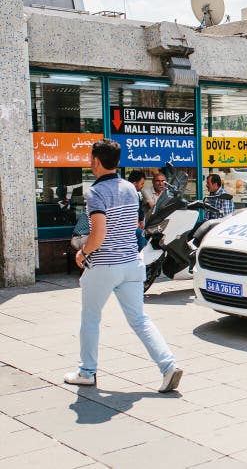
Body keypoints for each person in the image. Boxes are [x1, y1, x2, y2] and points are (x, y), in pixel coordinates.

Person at [65, 139, 182, 393]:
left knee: (90, 317)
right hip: (132, 263)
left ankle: (87, 372)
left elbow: (98, 233)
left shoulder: (96, 193)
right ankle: (168, 366)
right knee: (140, 319)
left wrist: (83, 252)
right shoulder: (130, 188)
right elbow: (134, 225)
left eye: (90, 158)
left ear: (96, 161)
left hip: (105, 265)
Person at [127, 170, 148, 250]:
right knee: (141, 234)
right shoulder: (127, 194)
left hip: (136, 224)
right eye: (142, 183)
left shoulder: (137, 194)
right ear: (135, 184)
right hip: (128, 227)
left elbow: (139, 209)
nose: (142, 186)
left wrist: (141, 220)